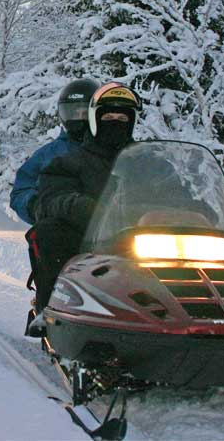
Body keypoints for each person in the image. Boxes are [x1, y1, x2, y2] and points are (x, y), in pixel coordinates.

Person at [29, 82, 142, 320]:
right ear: (95, 119)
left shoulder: (151, 163)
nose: (114, 122)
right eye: (108, 116)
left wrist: (203, 211)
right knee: (49, 231)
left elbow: (176, 190)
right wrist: (82, 206)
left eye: (122, 118)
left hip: (142, 235)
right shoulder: (69, 162)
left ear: (131, 123)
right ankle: (51, 311)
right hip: (90, 237)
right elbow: (50, 198)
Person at [9, 79, 99, 225]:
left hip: (111, 228)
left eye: (85, 113)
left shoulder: (112, 149)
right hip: (63, 227)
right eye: (74, 113)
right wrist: (36, 205)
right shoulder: (48, 154)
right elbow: (20, 191)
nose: (80, 119)